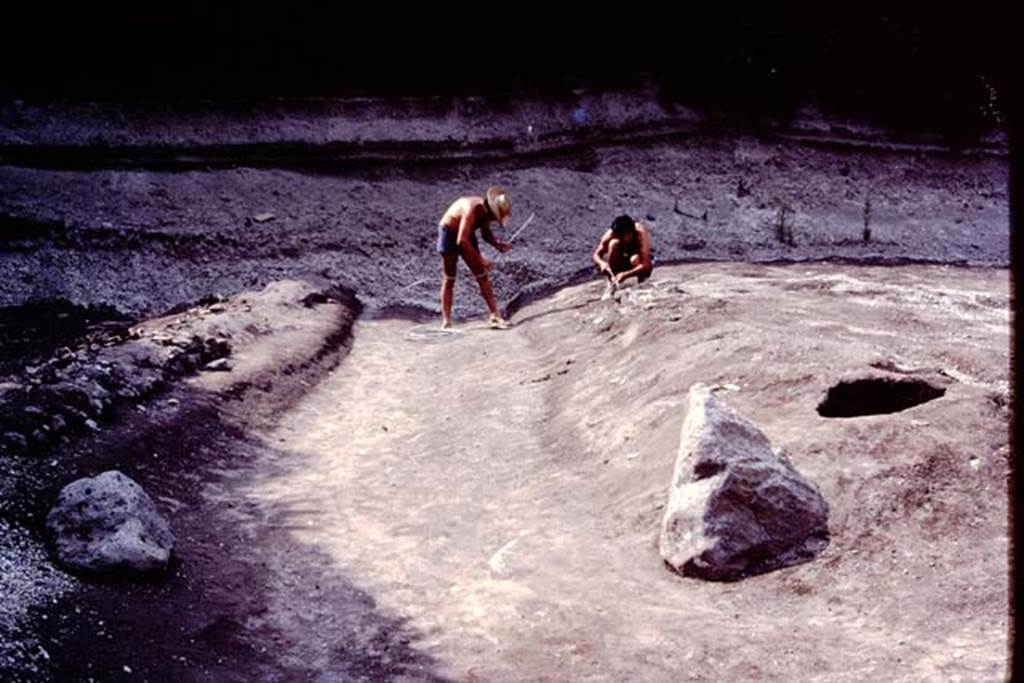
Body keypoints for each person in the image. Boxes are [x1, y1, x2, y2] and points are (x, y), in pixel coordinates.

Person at [436, 186, 513, 329]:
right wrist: (481, 259)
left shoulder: (486, 212)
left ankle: (495, 315)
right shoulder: (471, 210)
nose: (494, 220)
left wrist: (497, 244)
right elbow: (461, 241)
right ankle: (446, 321)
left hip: (465, 233)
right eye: (495, 218)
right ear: (491, 210)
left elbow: (485, 233)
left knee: (482, 275)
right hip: (449, 231)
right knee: (449, 277)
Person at [592, 214, 653, 298]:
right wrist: (601, 263)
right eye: (621, 236)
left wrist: (626, 274)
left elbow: (647, 265)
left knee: (635, 259)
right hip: (621, 258)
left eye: (627, 235)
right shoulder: (611, 235)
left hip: (636, 261)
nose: (625, 238)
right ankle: (612, 283)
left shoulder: (640, 233)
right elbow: (596, 254)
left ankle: (642, 284)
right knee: (613, 244)